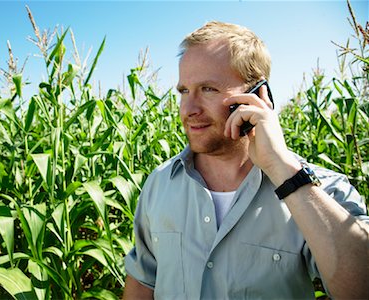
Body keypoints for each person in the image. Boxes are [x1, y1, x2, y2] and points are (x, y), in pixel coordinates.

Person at [122, 21, 369, 299]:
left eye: (208, 89)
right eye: (183, 91)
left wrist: (283, 169)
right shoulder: (159, 183)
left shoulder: (320, 192)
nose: (189, 109)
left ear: (257, 95)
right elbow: (143, 282)